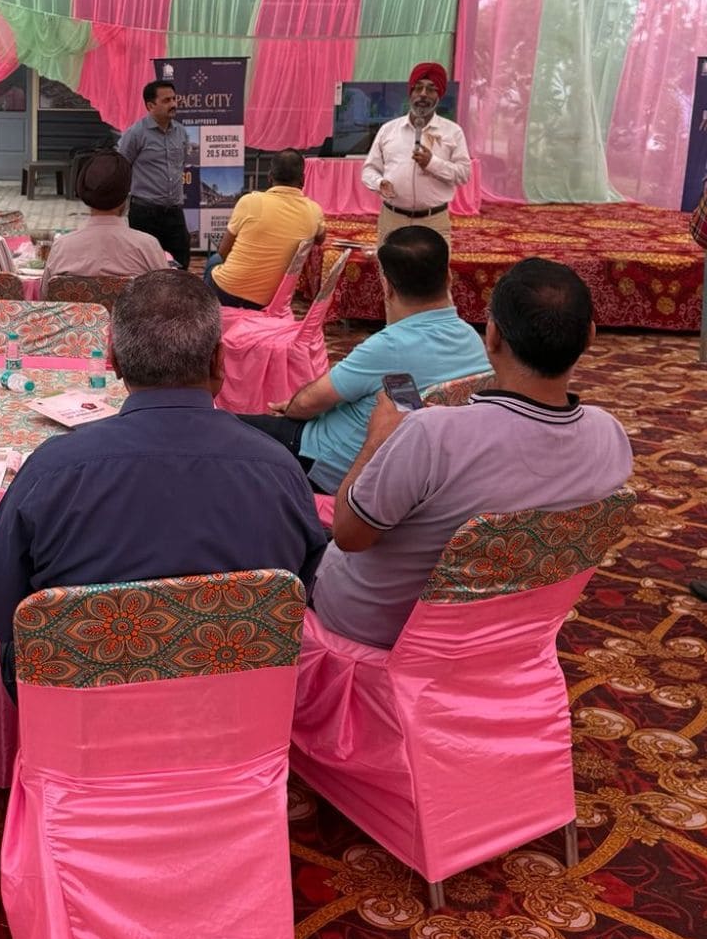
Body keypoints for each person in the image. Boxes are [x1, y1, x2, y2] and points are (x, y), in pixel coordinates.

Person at [0, 271, 328, 696]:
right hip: (234, 711)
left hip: (78, 716)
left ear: (115, 362)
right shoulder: (279, 471)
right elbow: (297, 593)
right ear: (219, 361)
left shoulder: (53, 470)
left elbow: (0, 603)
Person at [313, 257, 633, 649]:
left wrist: (378, 440)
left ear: (492, 335)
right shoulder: (610, 435)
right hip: (514, 624)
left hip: (379, 625)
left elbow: (349, 535)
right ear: (590, 337)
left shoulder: (432, 434)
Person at [239, 227, 488, 493]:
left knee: (226, 429)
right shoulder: (471, 339)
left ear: (387, 286)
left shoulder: (389, 347)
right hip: (414, 469)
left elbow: (307, 404)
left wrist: (292, 407)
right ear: (449, 277)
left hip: (330, 461)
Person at [361, 63, 471, 245]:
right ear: (410, 93)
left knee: (434, 265)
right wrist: (379, 183)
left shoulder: (453, 132)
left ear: (439, 95)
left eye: (431, 89)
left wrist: (432, 163)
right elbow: (369, 170)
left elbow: (463, 174)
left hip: (433, 221)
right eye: (418, 88)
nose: (423, 94)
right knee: (390, 264)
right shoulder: (388, 130)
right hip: (392, 219)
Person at [205, 148, 326, 309]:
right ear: (303, 179)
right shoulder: (314, 211)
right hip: (269, 300)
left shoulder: (249, 201)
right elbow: (320, 239)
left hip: (226, 292)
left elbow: (223, 252)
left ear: (269, 177)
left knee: (214, 260)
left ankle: (206, 311)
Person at [39, 151, 167, 295]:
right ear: (125, 195)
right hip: (132, 310)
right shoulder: (147, 247)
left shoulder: (62, 247)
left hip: (77, 311)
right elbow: (165, 298)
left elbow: (45, 298)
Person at [117, 80, 191, 269]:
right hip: (145, 213)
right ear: (150, 106)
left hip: (174, 212)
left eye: (174, 99)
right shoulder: (135, 133)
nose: (173, 104)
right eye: (166, 100)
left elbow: (181, 164)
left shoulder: (181, 132)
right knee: (143, 269)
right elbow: (121, 167)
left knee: (180, 268)